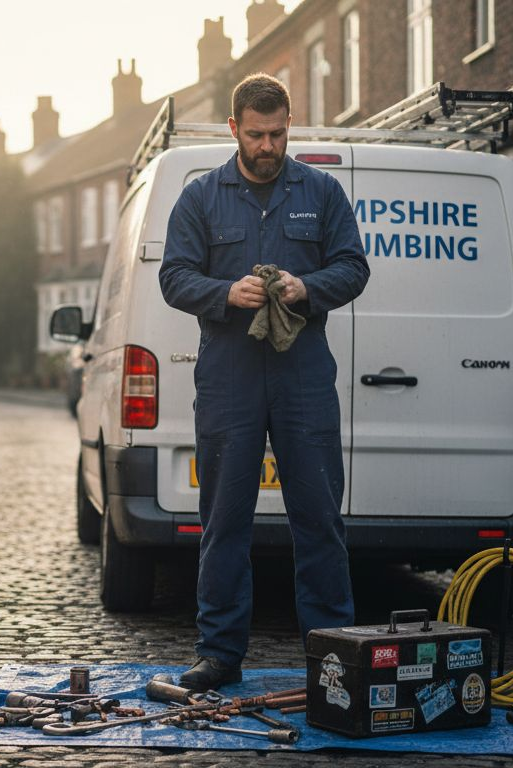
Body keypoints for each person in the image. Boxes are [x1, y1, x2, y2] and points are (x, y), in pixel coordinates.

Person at [158, 73, 370, 691]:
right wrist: (225, 292)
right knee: (224, 518)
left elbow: (354, 267)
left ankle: (329, 659)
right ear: (234, 130)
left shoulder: (322, 191)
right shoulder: (201, 199)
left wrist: (310, 287)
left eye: (279, 133)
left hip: (304, 376)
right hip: (229, 377)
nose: (269, 145)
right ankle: (219, 655)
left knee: (320, 518)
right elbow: (173, 277)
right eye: (257, 135)